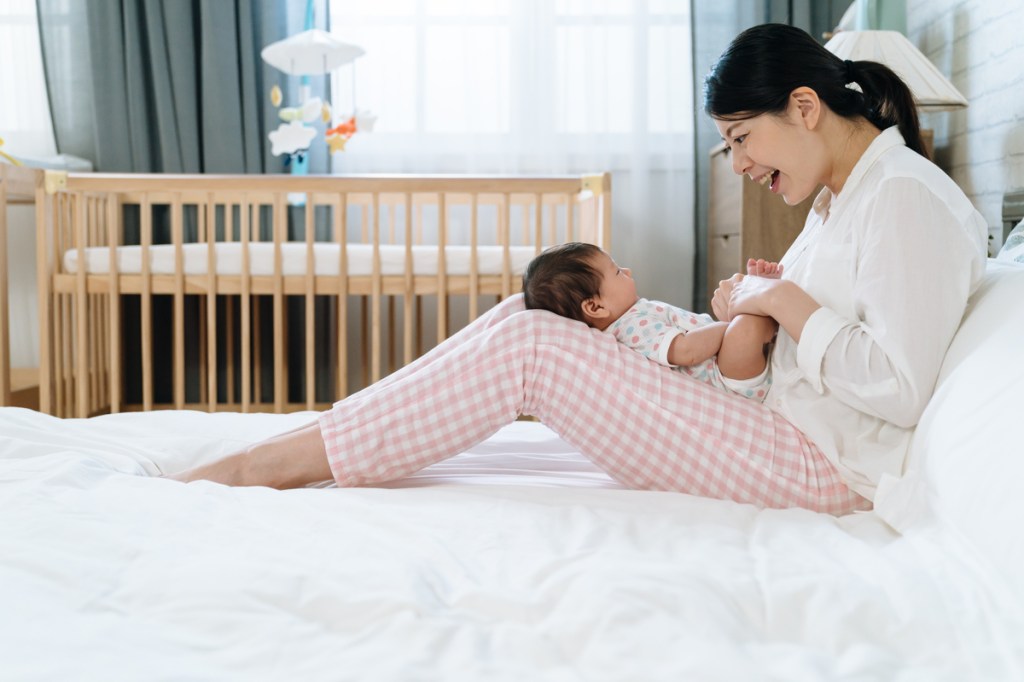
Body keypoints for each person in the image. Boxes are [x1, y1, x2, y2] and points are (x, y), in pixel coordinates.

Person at [168, 23, 987, 517]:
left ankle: (271, 465)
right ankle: (323, 433)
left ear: (804, 107)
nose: (738, 163)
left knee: (534, 348)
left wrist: (782, 297)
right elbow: (814, 321)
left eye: (742, 138)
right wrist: (763, 299)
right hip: (771, 419)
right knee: (527, 318)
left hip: (818, 464)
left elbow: (901, 387)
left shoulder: (905, 198)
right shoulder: (845, 198)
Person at [521, 241, 776, 401]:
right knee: (744, 332)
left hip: (726, 360)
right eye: (618, 272)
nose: (628, 271)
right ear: (596, 306)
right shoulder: (630, 329)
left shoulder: (632, 317)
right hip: (726, 378)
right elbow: (685, 351)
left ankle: (757, 306)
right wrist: (728, 328)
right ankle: (763, 310)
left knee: (742, 324)